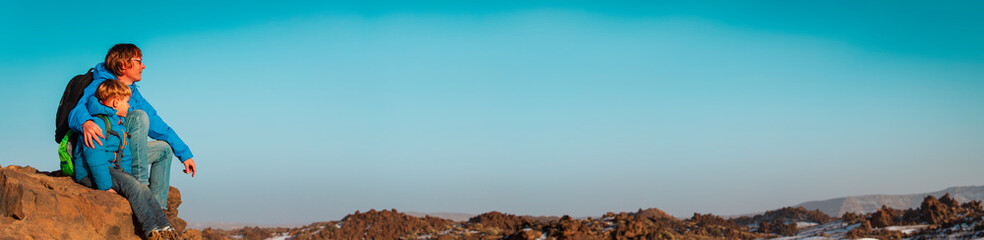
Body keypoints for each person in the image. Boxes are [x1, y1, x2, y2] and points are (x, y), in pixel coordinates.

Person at [67, 43, 196, 209]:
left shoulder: (132, 92)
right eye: (138, 61)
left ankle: (157, 209)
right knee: (138, 117)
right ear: (123, 66)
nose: (143, 66)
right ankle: (140, 187)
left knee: (164, 150)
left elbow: (157, 123)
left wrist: (184, 154)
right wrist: (85, 122)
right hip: (104, 154)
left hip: (125, 152)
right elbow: (76, 110)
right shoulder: (103, 85)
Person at [74, 80, 179, 239]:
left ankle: (166, 227)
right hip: (91, 171)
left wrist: (128, 177)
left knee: (142, 188)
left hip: (111, 169)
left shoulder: (120, 126)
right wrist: (105, 187)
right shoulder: (98, 123)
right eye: (126, 102)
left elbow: (125, 156)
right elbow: (94, 158)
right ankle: (152, 230)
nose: (129, 106)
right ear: (116, 102)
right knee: (134, 187)